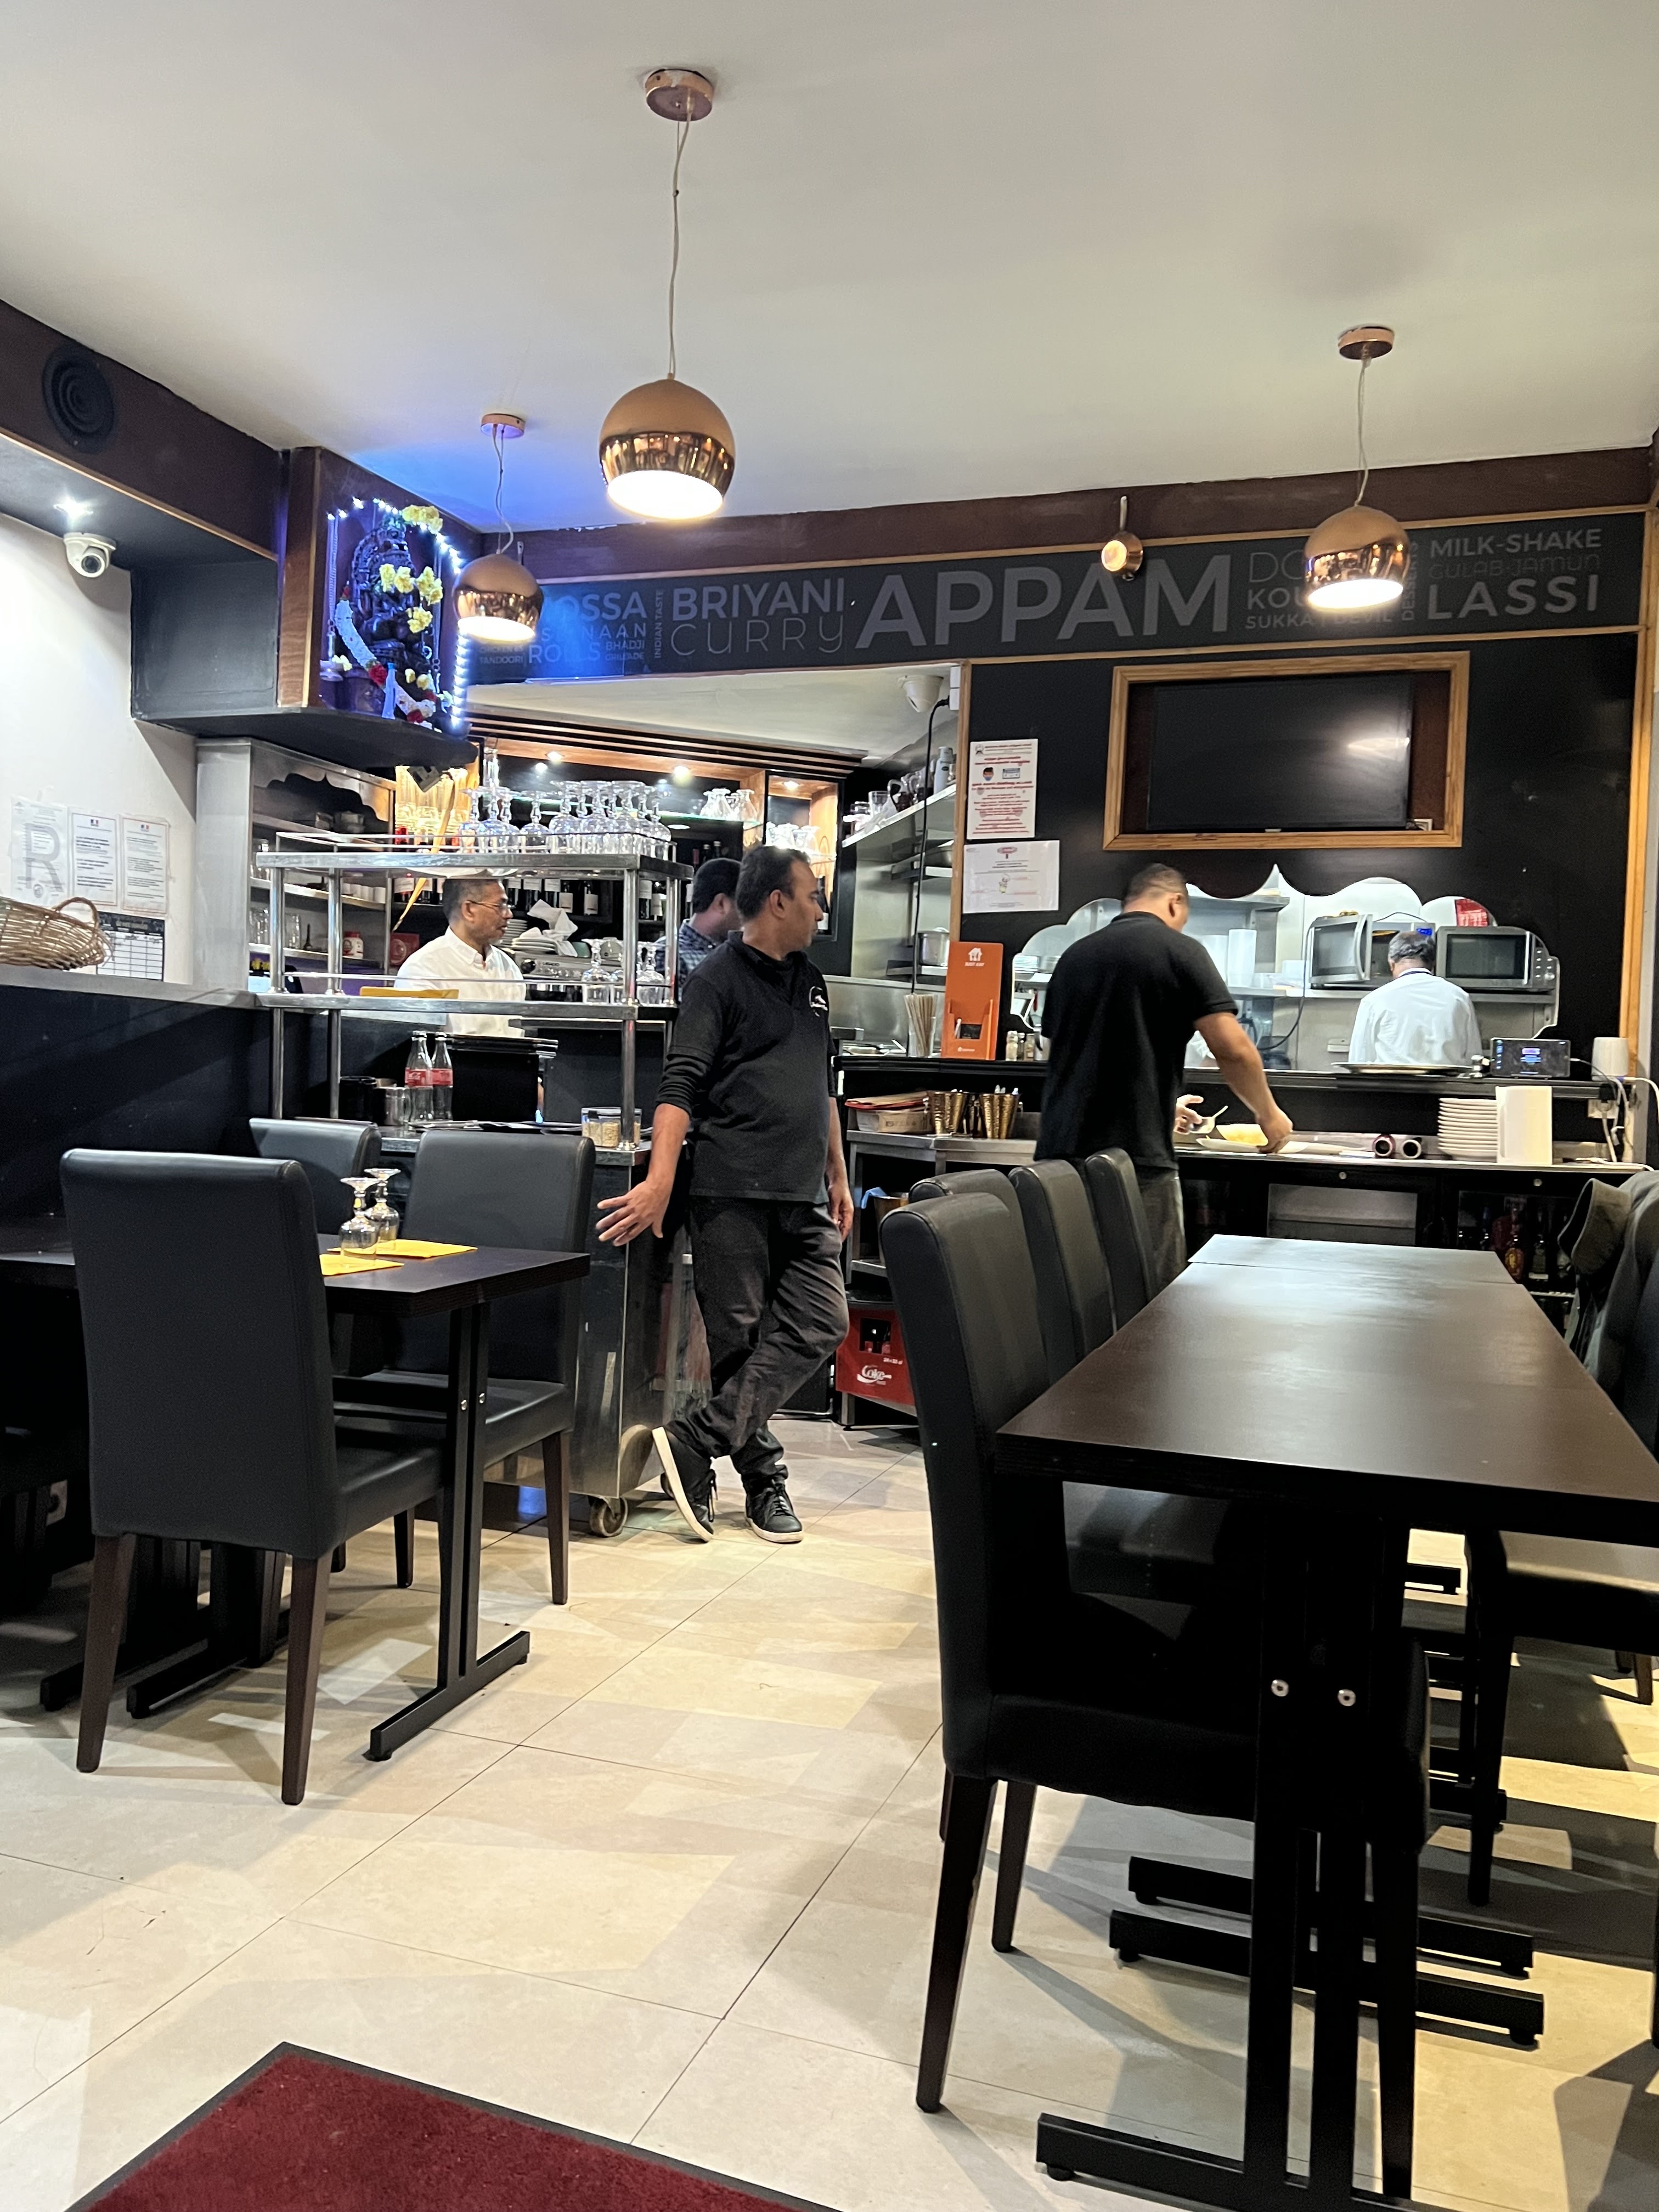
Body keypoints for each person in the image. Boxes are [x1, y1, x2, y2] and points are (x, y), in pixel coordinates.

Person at [597, 847, 853, 1544]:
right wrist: (659, 1182)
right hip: (730, 1188)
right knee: (737, 1342)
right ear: (778, 900)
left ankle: (693, 1441)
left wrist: (838, 1173)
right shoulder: (715, 979)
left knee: (824, 1321)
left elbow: (821, 1084)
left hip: (803, 1191)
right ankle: (764, 1480)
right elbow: (679, 1086)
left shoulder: (812, 981)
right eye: (813, 896)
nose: (820, 910)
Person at [1037, 862, 1292, 1284]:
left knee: (1070, 1296)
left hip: (1058, 1160)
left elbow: (1065, 1055)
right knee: (1148, 1299)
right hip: (1134, 1164)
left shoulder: (1073, 957)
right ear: (1175, 902)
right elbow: (1232, 1049)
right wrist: (1269, 1113)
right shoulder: (1180, 951)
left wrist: (1158, 1105)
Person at [394, 874, 525, 1037]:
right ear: (469, 910)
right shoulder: (422, 970)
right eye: (500, 906)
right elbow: (419, 1044)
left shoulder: (508, 968)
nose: (509, 914)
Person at [1347, 927, 1482, 1068]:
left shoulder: (1374, 1000)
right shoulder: (1459, 997)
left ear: (1391, 963)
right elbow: (1474, 1057)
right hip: (1446, 1081)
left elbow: (1359, 1060)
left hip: (1391, 1081)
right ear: (1433, 964)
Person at [676, 857, 741, 981]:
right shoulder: (672, 954)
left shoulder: (738, 953)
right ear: (721, 903)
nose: (749, 918)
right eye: (744, 908)